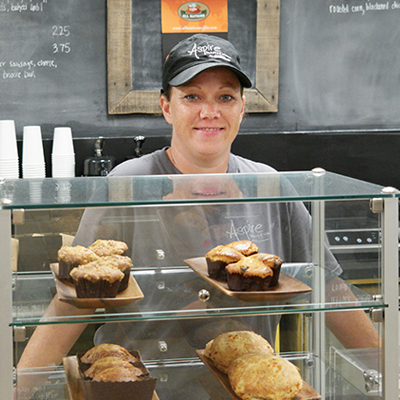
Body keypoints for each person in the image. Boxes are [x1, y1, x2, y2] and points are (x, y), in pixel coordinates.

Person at [15, 34, 380, 398]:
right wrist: (17, 388)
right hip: (142, 389)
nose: (210, 112)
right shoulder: (128, 183)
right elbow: (76, 299)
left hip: (245, 386)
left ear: (242, 108)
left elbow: (331, 291)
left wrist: (387, 371)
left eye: (226, 97)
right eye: (192, 96)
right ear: (166, 107)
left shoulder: (270, 186)